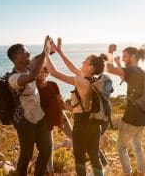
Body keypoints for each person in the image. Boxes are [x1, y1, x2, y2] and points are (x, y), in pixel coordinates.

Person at [44, 37, 107, 176]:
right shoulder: (92, 80)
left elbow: (54, 73)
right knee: (94, 156)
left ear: (90, 67)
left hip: (81, 125)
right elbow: (72, 67)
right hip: (94, 125)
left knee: (79, 159)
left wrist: (46, 53)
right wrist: (60, 52)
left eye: (85, 61)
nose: (82, 62)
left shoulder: (81, 82)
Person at [7, 36, 52, 176]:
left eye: (28, 51)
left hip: (41, 117)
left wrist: (50, 48)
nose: (28, 53)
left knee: (46, 151)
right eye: (23, 52)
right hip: (25, 121)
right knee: (26, 155)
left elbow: (42, 56)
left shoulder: (30, 65)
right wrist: (45, 52)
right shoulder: (13, 78)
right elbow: (32, 77)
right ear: (15, 57)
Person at [106, 45, 145, 176]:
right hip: (142, 117)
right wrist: (118, 62)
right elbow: (123, 76)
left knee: (121, 147)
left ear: (132, 57)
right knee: (137, 146)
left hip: (131, 117)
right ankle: (142, 173)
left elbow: (109, 69)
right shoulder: (140, 72)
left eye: (125, 56)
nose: (124, 58)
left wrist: (110, 52)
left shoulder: (131, 70)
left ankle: (127, 174)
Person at [35, 65, 73, 176]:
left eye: (43, 72)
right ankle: (51, 172)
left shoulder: (52, 85)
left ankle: (91, 156)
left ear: (47, 73)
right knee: (48, 148)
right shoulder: (33, 88)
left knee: (74, 136)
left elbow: (59, 102)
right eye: (38, 72)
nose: (41, 74)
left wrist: (61, 121)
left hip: (59, 115)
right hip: (45, 121)